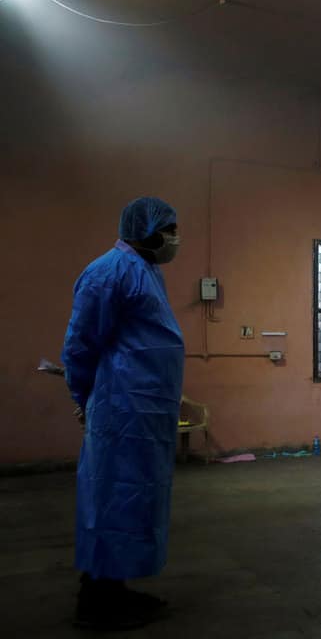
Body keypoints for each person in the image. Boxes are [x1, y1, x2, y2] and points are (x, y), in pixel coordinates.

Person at [62, 197, 185, 630]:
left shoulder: (148, 272)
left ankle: (116, 590)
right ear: (146, 229)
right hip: (121, 406)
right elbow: (81, 343)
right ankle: (94, 603)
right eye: (169, 228)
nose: (174, 238)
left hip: (146, 409)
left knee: (136, 500)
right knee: (112, 497)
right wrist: (83, 395)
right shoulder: (108, 272)